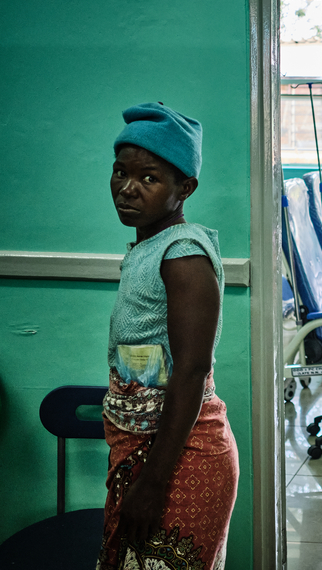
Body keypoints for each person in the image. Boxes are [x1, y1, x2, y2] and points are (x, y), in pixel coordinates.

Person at [99, 103, 239, 569]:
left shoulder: (182, 253)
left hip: (181, 460)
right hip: (146, 454)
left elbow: (192, 370)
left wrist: (153, 482)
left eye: (149, 178)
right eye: (121, 172)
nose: (126, 188)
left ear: (186, 188)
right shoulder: (147, 246)